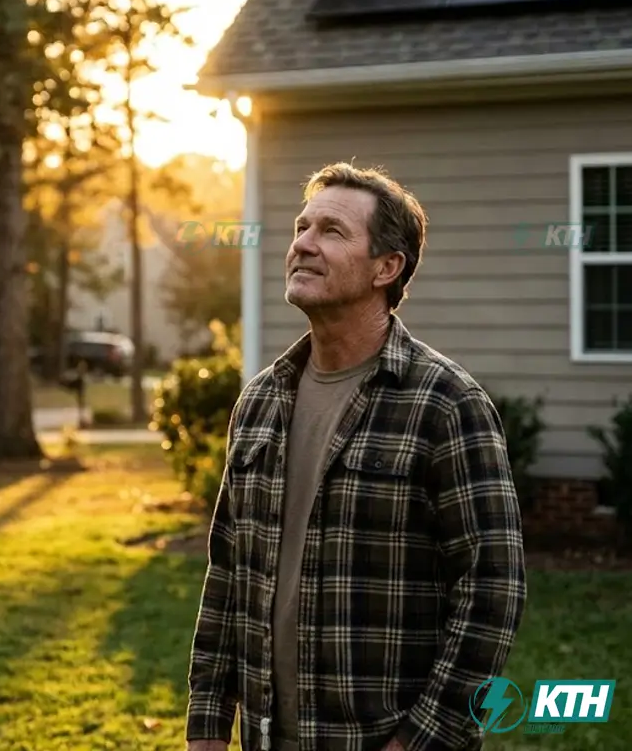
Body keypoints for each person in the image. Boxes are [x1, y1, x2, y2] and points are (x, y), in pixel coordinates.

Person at [185, 163, 527, 751]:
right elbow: (226, 573)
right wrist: (208, 725)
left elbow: (493, 589)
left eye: (332, 232)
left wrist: (420, 740)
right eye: (301, 226)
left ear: (386, 268)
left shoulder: (445, 405)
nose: (302, 244)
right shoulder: (261, 401)